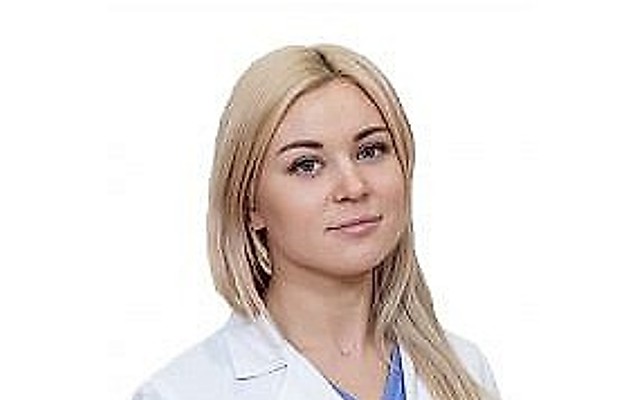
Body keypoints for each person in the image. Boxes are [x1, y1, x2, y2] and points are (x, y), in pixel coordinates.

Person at [133, 44, 501, 400]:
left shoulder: (465, 370)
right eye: (306, 165)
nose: (354, 187)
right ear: (249, 203)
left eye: (370, 151)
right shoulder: (180, 393)